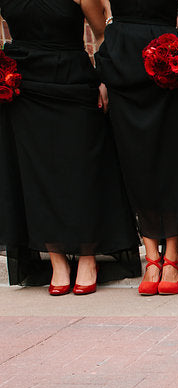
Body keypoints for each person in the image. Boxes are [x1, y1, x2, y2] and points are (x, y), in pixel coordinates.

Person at [0, 0, 138, 294]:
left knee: (80, 170)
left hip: (73, 83)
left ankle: (88, 256)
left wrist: (104, 79)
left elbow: (101, 34)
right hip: (25, 88)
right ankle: (57, 261)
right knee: (37, 175)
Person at [96, 0, 178, 296]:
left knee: (170, 157)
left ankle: (172, 255)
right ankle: (151, 255)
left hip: (166, 65)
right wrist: (103, 76)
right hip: (122, 67)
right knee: (135, 161)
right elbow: (102, 20)